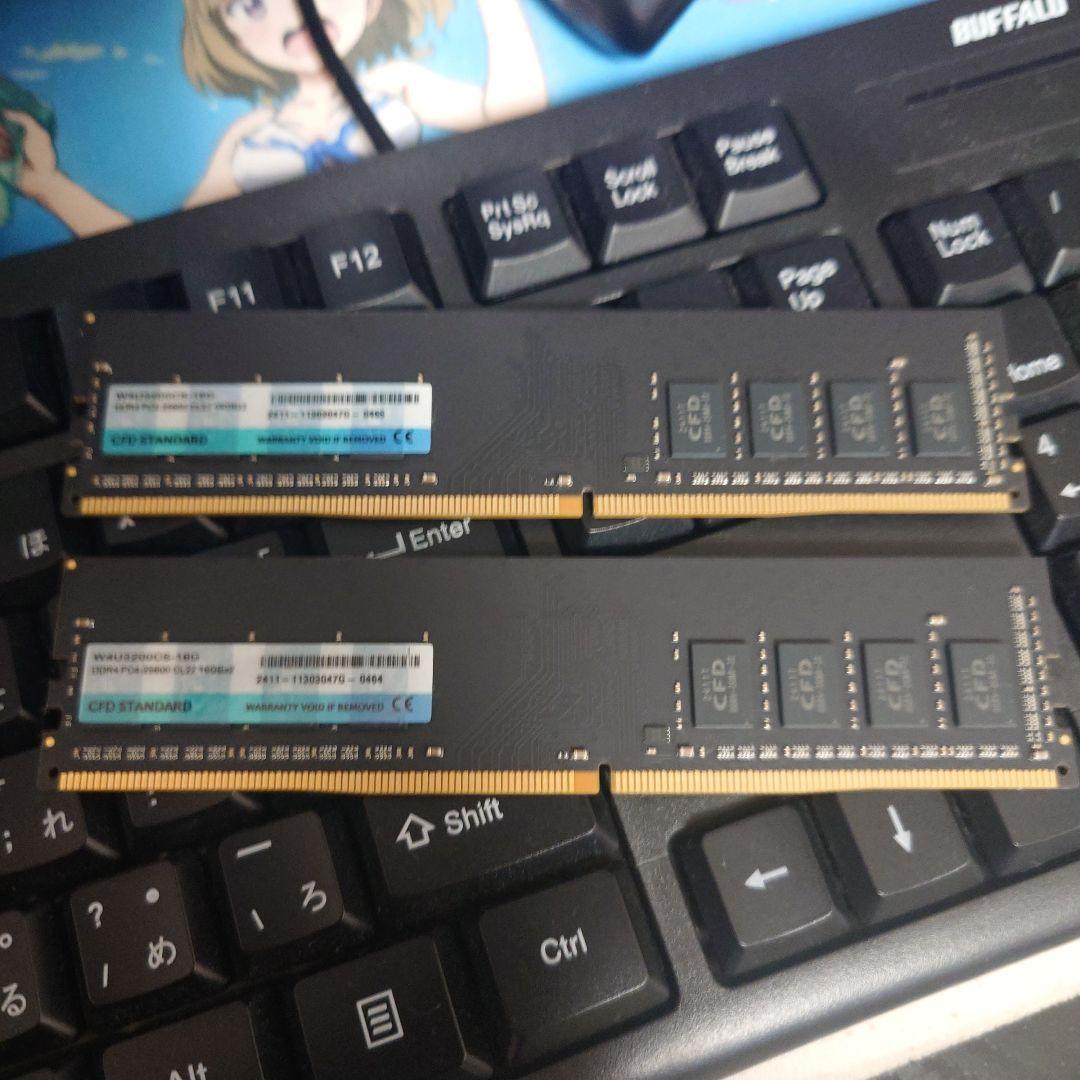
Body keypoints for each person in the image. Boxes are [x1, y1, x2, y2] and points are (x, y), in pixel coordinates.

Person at [0, 0, 547, 237]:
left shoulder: (395, 82)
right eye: (249, 5)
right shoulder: (247, 137)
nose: (291, 15)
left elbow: (519, 118)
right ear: (227, 36)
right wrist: (49, 187)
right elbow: (159, 250)